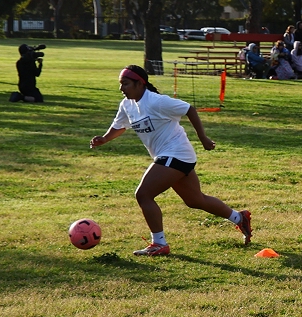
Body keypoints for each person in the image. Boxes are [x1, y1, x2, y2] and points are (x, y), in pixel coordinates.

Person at [89, 65, 252, 255]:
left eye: (125, 84)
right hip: (173, 156)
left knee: (143, 194)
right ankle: (239, 218)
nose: (121, 88)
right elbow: (120, 125)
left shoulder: (156, 101)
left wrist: (203, 138)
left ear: (140, 83)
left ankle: (159, 243)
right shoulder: (127, 104)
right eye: (120, 84)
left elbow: (189, 109)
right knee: (195, 200)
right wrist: (105, 138)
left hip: (176, 153)